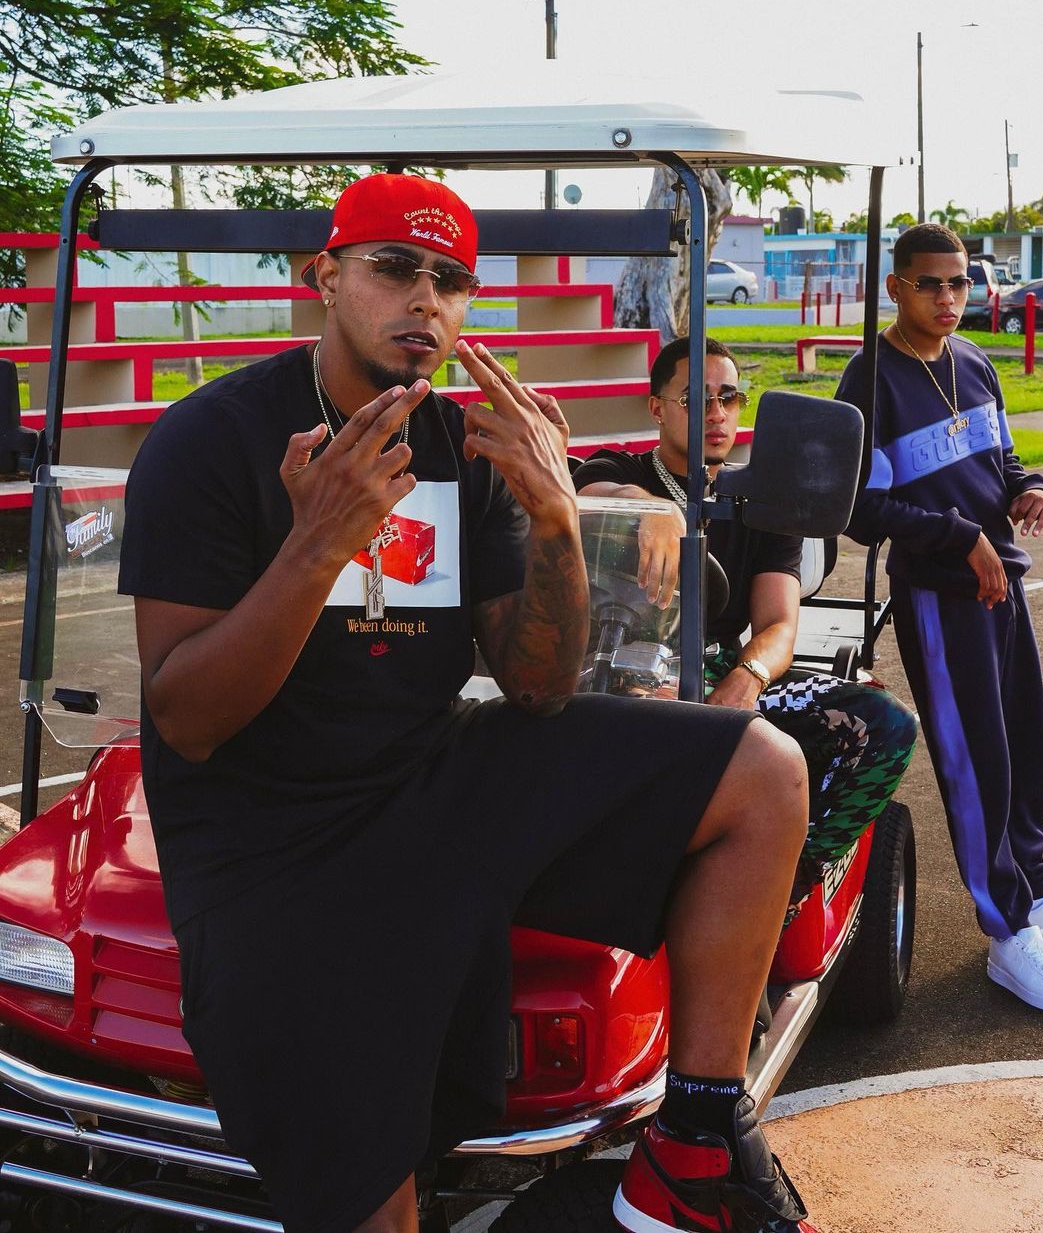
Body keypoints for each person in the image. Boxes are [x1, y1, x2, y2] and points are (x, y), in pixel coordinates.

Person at [118, 174, 821, 1233]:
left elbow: (537, 683)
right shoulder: (212, 439)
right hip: (269, 825)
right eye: (395, 268)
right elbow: (188, 719)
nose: (426, 299)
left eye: (450, 280)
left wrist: (555, 520)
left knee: (762, 769)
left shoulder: (458, 443)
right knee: (371, 1195)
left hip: (430, 765)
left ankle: (694, 1139)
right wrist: (316, 547)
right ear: (325, 277)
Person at [574, 336, 917, 917]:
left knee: (886, 724)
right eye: (696, 398)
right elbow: (588, 491)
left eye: (729, 397)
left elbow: (780, 623)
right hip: (618, 676)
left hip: (720, 675)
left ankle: (782, 886)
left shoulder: (765, 501)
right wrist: (650, 509)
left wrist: (747, 678)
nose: (716, 412)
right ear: (657, 407)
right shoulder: (620, 470)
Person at [836, 221, 1043, 1015]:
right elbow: (860, 507)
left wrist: (1032, 487)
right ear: (896, 288)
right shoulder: (870, 380)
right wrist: (958, 536)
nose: (949, 297)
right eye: (931, 284)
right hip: (940, 596)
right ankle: (1007, 932)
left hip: (1000, 583)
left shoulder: (974, 361)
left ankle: (1033, 889)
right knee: (977, 763)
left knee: (1026, 748)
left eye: (960, 282)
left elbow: (1003, 460)